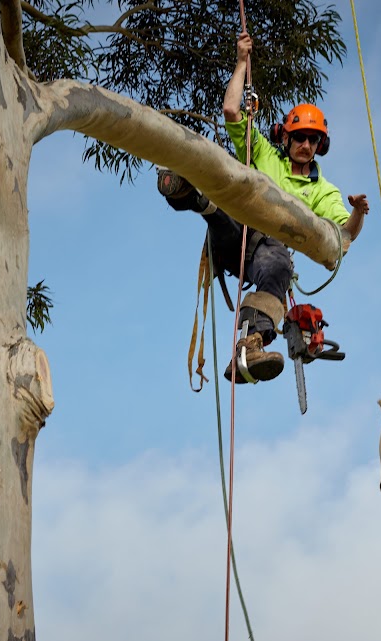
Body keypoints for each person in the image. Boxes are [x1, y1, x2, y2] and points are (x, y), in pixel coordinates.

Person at [158, 31, 369, 383]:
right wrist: (241, 63)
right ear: (284, 137)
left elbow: (343, 236)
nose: (304, 144)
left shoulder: (322, 190)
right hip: (231, 231)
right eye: (298, 137)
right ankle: (188, 191)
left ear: (320, 145)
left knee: (279, 264)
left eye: (312, 140)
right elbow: (230, 110)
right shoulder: (263, 153)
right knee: (231, 187)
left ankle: (249, 347)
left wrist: (359, 212)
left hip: (261, 253)